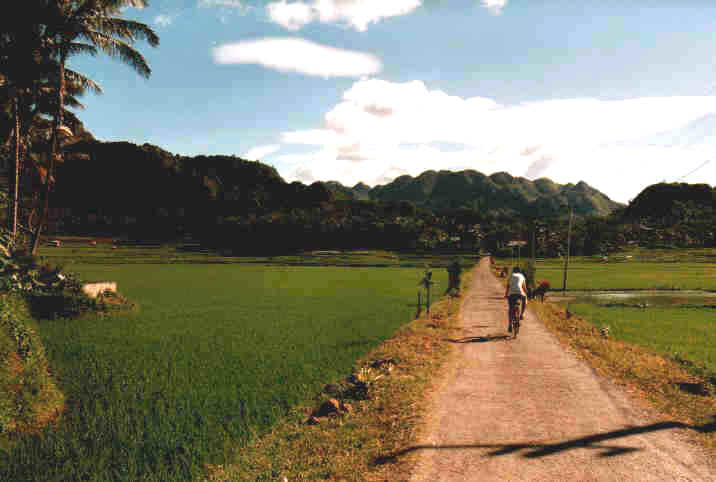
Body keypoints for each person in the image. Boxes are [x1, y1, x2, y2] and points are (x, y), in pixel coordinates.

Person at [504, 266, 527, 332]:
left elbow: (508, 286)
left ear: (513, 271)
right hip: (520, 293)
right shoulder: (522, 276)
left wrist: (506, 294)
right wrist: (526, 294)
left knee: (510, 308)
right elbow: (524, 287)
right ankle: (522, 314)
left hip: (511, 294)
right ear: (519, 271)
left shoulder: (511, 276)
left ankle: (510, 325)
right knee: (525, 300)